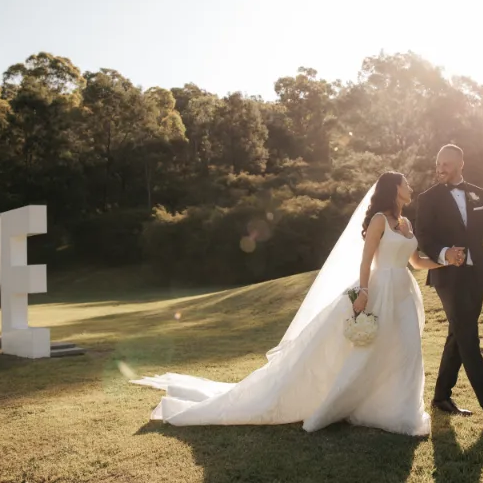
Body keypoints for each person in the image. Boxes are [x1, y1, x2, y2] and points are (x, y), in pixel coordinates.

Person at [131, 172, 444, 436]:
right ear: (394, 189)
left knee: (405, 350)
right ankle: (363, 405)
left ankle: (400, 411)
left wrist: (445, 260)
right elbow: (366, 261)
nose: (411, 186)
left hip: (404, 292)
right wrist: (363, 291)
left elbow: (415, 261)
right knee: (368, 351)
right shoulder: (379, 220)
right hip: (379, 290)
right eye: (405, 182)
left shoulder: (406, 224)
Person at [415, 144, 483, 429]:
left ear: (460, 163)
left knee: (458, 335)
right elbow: (423, 235)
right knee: (469, 337)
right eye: (438, 163)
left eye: (445, 163)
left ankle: (441, 397)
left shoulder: (479, 194)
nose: (440, 168)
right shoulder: (428, 198)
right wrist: (445, 253)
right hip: (447, 277)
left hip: (476, 276)